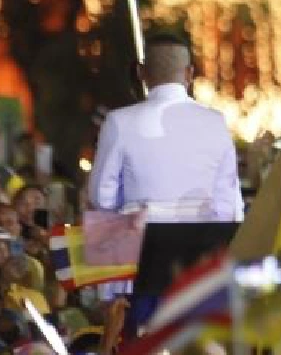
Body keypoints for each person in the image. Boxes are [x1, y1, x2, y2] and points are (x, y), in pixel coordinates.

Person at [87, 30, 243, 223]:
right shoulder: (216, 122)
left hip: (140, 245)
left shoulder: (118, 121)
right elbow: (228, 204)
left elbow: (102, 198)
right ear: (189, 73)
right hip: (201, 245)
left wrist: (135, 204)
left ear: (141, 72)